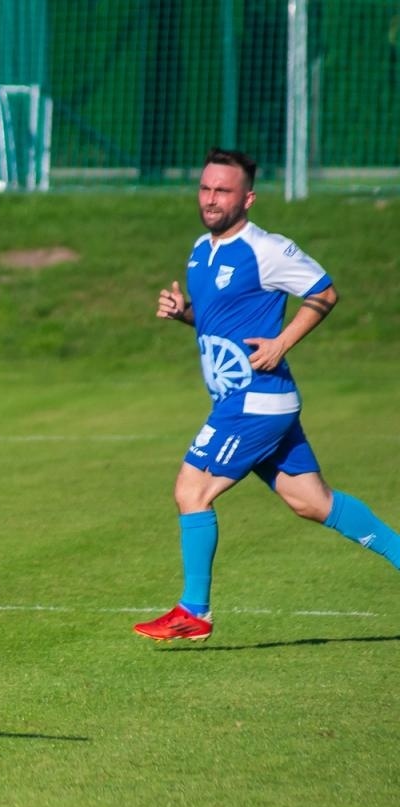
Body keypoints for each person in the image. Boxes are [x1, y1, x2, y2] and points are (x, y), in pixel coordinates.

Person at [134, 147, 400, 642]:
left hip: (254, 402)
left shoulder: (267, 249)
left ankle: (194, 612)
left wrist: (282, 342)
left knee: (191, 491)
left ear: (248, 198)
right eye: (206, 188)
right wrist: (184, 312)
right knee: (312, 501)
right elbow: (220, 321)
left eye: (223, 191)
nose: (211, 199)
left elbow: (324, 293)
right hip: (249, 401)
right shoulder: (201, 249)